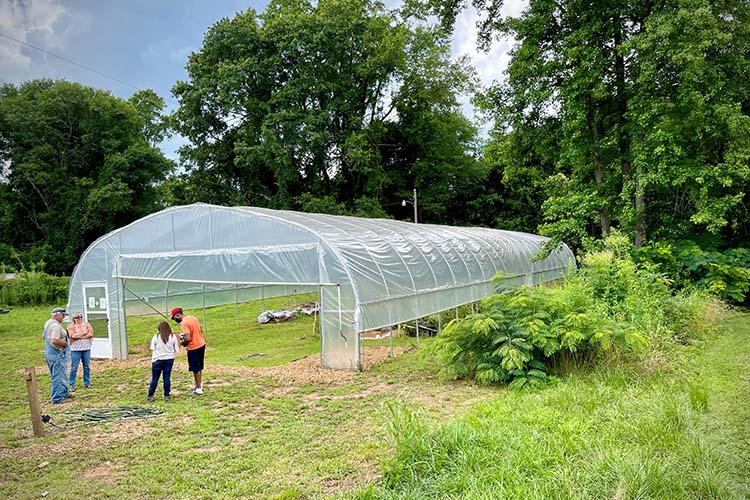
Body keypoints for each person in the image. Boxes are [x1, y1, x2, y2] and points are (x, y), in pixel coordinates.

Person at [170, 307, 206, 395]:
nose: (174, 320)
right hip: (201, 344)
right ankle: (199, 385)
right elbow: (200, 329)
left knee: (195, 368)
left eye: (174, 318)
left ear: (177, 315)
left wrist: (182, 342)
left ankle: (198, 389)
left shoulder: (184, 323)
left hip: (194, 347)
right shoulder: (193, 318)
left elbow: (188, 338)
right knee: (199, 366)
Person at [43, 307, 71, 404]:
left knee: (60, 374)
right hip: (57, 354)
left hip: (49, 353)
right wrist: (65, 344)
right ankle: (56, 398)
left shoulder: (48, 323)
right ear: (57, 315)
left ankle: (64, 393)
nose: (63, 318)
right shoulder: (55, 326)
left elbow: (44, 337)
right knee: (58, 375)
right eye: (63, 315)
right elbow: (54, 341)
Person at [147, 320, 179, 402]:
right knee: (167, 378)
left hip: (157, 359)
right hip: (169, 359)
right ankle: (166, 395)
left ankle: (150, 395)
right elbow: (176, 349)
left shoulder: (156, 337)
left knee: (155, 378)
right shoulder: (173, 337)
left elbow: (152, 348)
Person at [67, 313, 94, 392]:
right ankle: (71, 384)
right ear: (73, 319)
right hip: (75, 349)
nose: (79, 319)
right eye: (77, 317)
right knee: (74, 367)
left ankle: (87, 382)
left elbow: (91, 334)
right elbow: (72, 336)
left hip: (86, 347)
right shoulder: (71, 326)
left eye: (80, 317)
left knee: (86, 366)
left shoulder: (87, 324)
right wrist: (84, 333)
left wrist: (80, 336)